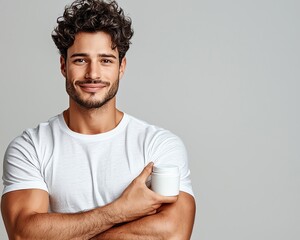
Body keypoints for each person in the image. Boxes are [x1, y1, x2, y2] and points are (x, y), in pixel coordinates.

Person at [1, 0, 196, 239]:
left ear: (121, 67)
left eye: (106, 60)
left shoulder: (158, 146)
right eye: (80, 60)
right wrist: (119, 211)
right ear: (63, 65)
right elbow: (24, 234)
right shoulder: (31, 147)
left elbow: (172, 233)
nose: (93, 74)